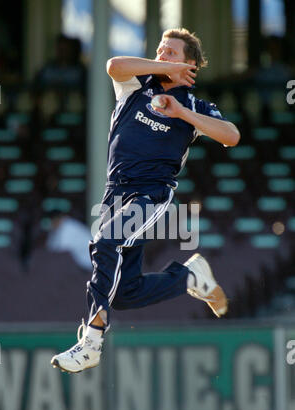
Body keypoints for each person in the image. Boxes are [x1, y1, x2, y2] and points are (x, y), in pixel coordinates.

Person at [51, 28, 240, 373]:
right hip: (114, 193)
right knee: (124, 292)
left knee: (105, 241)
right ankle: (189, 278)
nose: (162, 56)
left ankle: (91, 340)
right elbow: (113, 65)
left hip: (151, 193)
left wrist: (182, 113)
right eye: (160, 50)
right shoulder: (138, 84)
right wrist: (160, 66)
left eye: (171, 53)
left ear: (191, 65)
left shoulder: (196, 106)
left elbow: (231, 136)